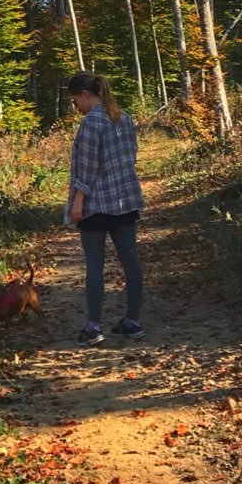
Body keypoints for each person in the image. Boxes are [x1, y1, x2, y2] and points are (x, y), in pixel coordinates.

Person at [64, 71, 146, 346]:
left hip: (97, 205)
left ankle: (93, 327)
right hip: (125, 200)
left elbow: (85, 171)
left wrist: (77, 203)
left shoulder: (91, 123)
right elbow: (130, 156)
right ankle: (133, 322)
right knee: (130, 261)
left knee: (95, 265)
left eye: (76, 100)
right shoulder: (124, 118)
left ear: (86, 95)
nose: (76, 106)